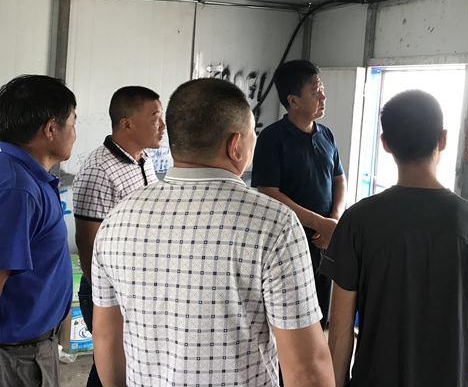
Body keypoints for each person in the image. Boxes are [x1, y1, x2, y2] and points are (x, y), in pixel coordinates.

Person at [91, 78, 335, 387]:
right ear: (235, 145)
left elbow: (106, 338)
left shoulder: (117, 220)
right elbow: (306, 367)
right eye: (252, 135)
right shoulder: (274, 225)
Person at [322, 90, 468, 387]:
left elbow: (340, 326)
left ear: (385, 143)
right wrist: (445, 318)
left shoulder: (357, 221)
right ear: (443, 139)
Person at [72, 86, 165, 387]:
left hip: (136, 286)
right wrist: (106, 299)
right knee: (110, 365)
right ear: (126, 124)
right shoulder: (100, 169)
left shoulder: (143, 160)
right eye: (155, 117)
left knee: (122, 364)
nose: (163, 126)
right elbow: (88, 244)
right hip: (109, 292)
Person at [252, 60, 346, 328]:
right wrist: (320, 223)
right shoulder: (272, 138)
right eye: (315, 92)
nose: (323, 98)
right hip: (289, 240)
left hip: (324, 241)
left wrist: (334, 219)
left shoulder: (326, 134)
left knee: (320, 314)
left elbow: (339, 179)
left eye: (322, 90)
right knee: (291, 318)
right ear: (293, 101)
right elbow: (268, 192)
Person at [0, 75, 77, 387]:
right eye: (73, 121)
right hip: (16, 360)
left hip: (29, 350)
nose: (74, 133)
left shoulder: (22, 176)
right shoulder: (17, 188)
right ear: (50, 128)